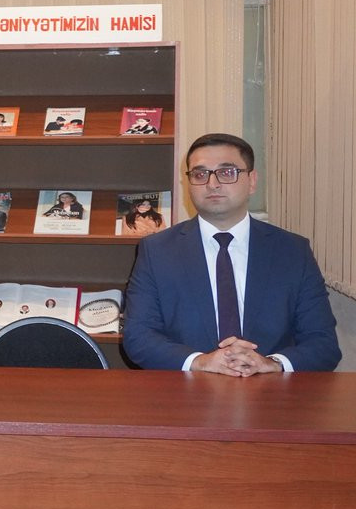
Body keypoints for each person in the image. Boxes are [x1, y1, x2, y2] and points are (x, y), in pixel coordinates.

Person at [124, 133, 340, 375]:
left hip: (272, 391)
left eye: (226, 172)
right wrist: (201, 362)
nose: (212, 184)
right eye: (200, 174)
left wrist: (271, 364)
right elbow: (139, 336)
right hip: (188, 390)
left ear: (252, 181)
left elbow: (323, 343)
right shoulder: (157, 250)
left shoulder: (292, 251)